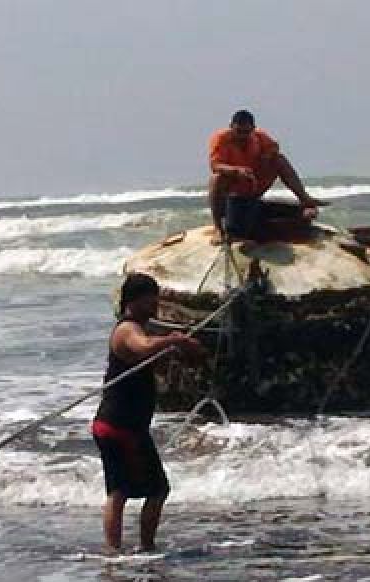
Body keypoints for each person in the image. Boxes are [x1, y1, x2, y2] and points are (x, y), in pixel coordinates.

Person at [91, 273, 205, 553]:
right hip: (122, 426)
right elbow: (143, 347)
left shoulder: (139, 328)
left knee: (119, 491)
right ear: (135, 301)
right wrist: (170, 340)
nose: (156, 305)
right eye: (151, 300)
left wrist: (184, 347)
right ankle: (141, 548)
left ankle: (117, 551)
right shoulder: (128, 329)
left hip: (114, 424)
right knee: (155, 490)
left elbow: (154, 355)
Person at [208, 109, 327, 242]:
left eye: (246, 132)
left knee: (278, 160)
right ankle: (218, 228)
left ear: (253, 128)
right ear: (231, 127)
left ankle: (304, 199)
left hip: (253, 188)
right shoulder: (221, 138)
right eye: (238, 132)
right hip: (232, 194)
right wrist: (236, 171)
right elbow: (215, 166)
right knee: (217, 178)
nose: (242, 136)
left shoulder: (259, 136)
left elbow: (274, 148)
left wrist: (267, 156)